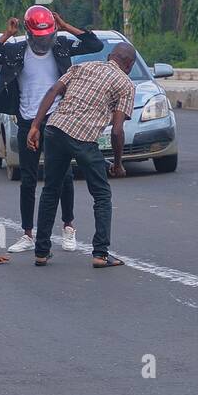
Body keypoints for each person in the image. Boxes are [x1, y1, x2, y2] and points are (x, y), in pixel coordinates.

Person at [0, 6, 103, 254]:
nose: (44, 42)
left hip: (57, 120)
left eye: (48, 36)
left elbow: (94, 45)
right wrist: (5, 35)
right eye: (39, 37)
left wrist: (66, 27)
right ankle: (27, 233)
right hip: (27, 121)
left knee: (63, 175)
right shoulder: (15, 50)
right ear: (28, 33)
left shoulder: (62, 45)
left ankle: (68, 227)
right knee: (28, 179)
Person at [28, 43, 137, 268]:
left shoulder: (83, 66)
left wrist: (35, 125)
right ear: (130, 65)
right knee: (102, 195)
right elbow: (117, 131)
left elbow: (53, 91)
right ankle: (100, 254)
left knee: (50, 190)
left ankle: (41, 251)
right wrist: (118, 164)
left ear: (109, 57)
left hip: (55, 129)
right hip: (84, 139)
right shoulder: (126, 84)